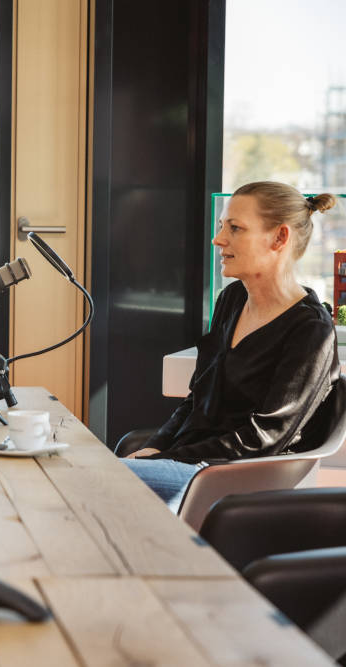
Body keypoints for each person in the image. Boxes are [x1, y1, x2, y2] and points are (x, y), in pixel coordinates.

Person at [123, 181, 340, 511]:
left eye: (235, 228)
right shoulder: (231, 300)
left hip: (234, 477)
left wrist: (167, 458)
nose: (218, 239)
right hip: (191, 464)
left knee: (97, 480)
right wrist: (156, 447)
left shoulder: (311, 331)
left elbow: (264, 438)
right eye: (222, 226)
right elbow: (197, 398)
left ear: (280, 238)